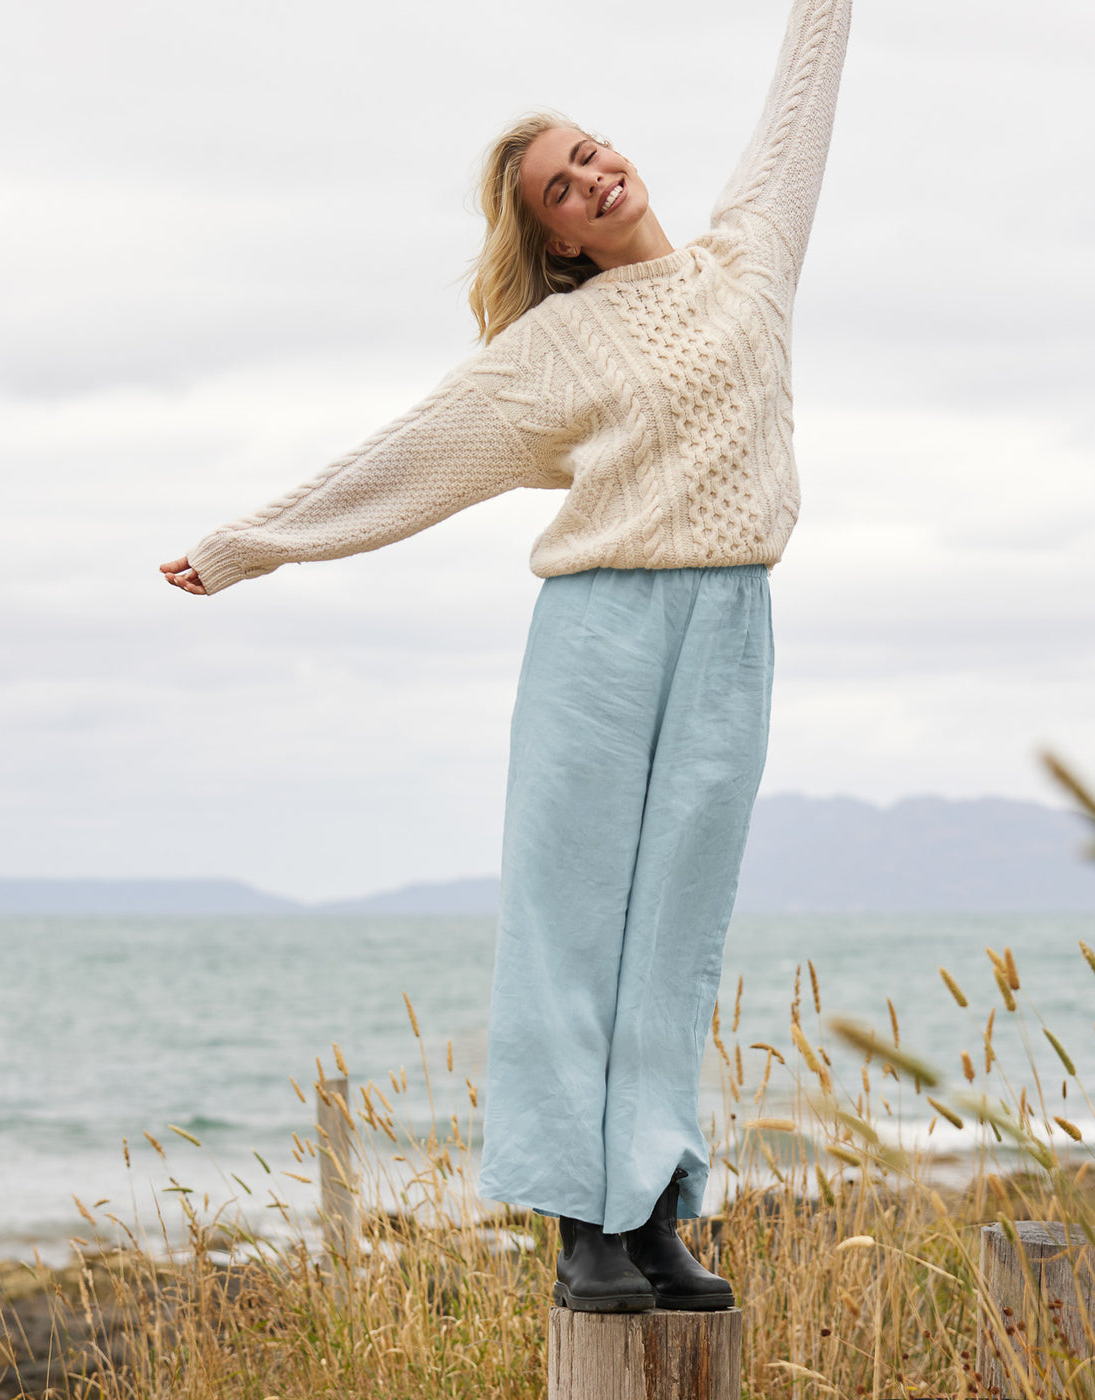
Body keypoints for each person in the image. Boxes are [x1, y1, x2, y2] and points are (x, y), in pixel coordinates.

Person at [161, 0, 851, 1314]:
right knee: (569, 927)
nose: (594, 175)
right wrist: (253, 543)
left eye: (592, 151)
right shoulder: (549, 349)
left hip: (732, 627)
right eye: (562, 187)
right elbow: (408, 458)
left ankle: (650, 1207)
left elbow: (795, 117)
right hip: (600, 635)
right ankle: (576, 1223)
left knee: (674, 938)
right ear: (555, 237)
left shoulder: (745, 258)